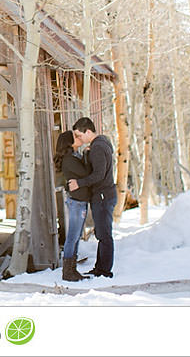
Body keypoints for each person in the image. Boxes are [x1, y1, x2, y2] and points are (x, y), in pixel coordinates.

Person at [68, 117, 117, 278]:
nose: (79, 139)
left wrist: (79, 183)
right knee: (102, 234)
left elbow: (99, 175)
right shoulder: (100, 144)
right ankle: (100, 268)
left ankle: (104, 271)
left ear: (88, 131)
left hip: (103, 196)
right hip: (104, 195)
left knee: (104, 235)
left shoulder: (98, 147)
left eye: (79, 135)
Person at [53, 130, 92, 282]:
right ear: (69, 143)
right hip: (76, 202)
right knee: (72, 237)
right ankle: (67, 271)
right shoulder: (70, 159)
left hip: (80, 201)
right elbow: (86, 172)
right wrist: (88, 155)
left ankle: (72, 269)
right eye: (75, 137)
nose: (79, 138)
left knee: (75, 237)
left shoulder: (75, 156)